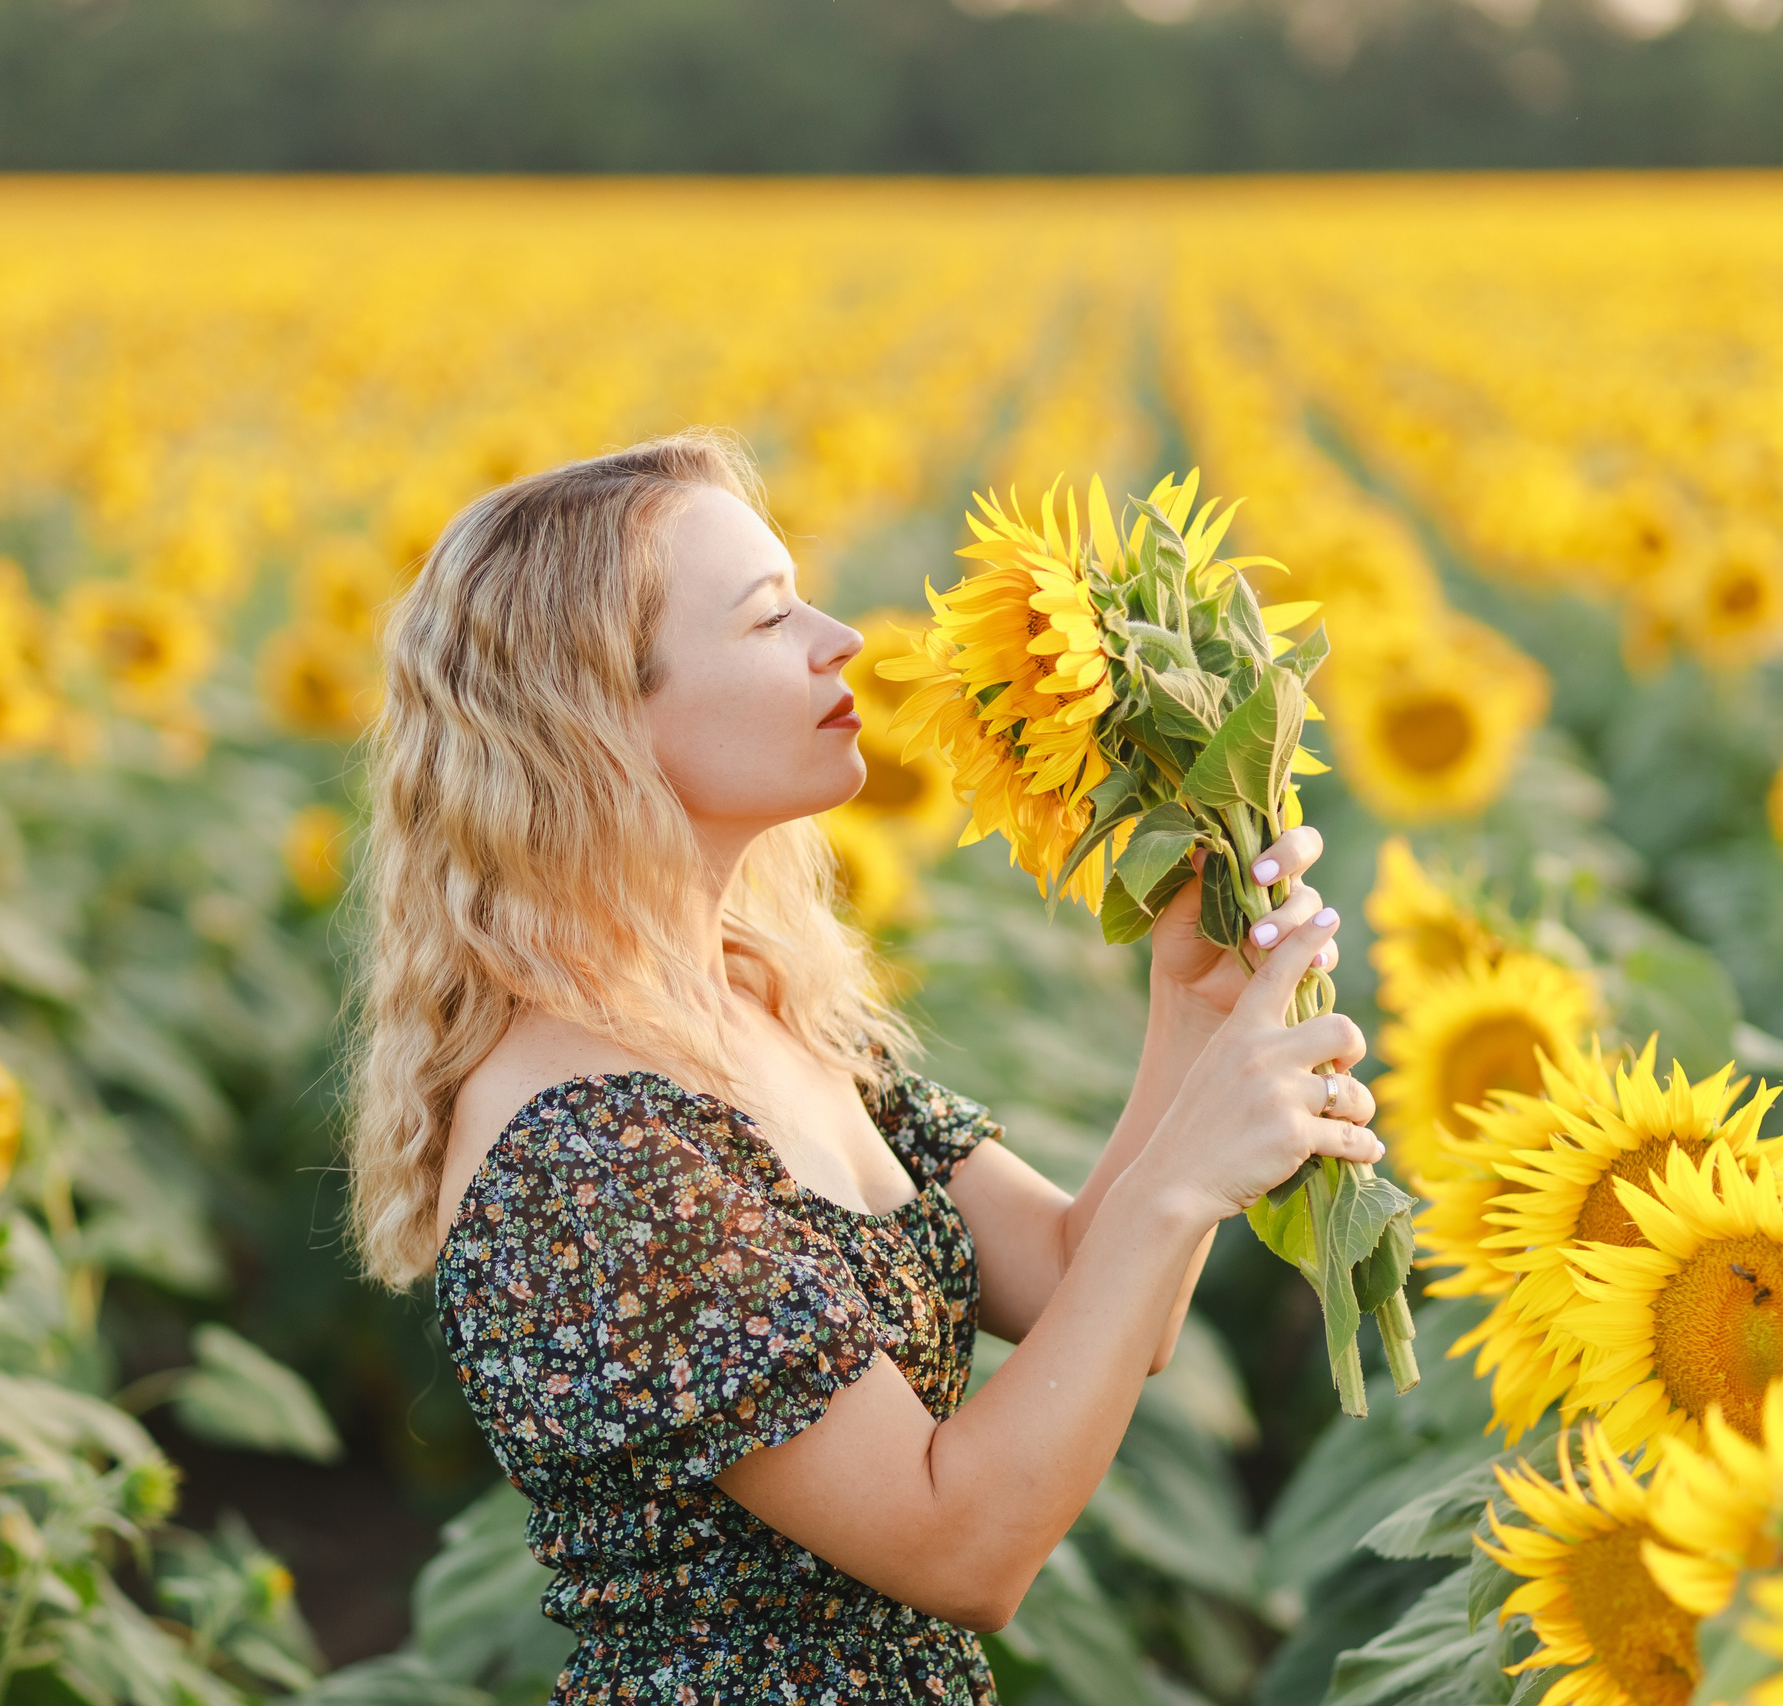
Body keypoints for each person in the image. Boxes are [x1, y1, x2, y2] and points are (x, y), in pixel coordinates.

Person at [344, 430, 1380, 1704]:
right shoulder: (589, 1148)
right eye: (770, 616)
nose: (840, 639)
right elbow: (961, 1547)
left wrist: (1193, 1001)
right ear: (598, 713)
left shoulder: (749, 997)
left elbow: (1073, 1282)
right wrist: (1187, 1179)